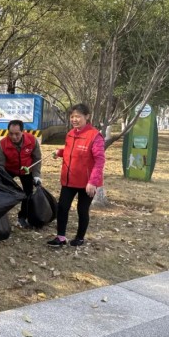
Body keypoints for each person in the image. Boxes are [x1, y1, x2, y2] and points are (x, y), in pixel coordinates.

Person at [48, 103, 105, 247]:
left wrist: (92, 182)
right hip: (69, 179)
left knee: (82, 210)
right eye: (72, 116)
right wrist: (59, 152)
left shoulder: (95, 136)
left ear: (87, 116)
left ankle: (80, 238)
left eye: (78, 116)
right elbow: (70, 152)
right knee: (62, 207)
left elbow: (99, 160)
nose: (74, 119)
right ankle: (60, 237)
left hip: (87, 183)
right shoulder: (70, 134)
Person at [0, 119, 42, 228]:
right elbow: (0, 165)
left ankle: (22, 218)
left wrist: (36, 175)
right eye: (11, 134)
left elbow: (37, 158)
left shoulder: (32, 140)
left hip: (26, 170)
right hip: (9, 170)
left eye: (17, 134)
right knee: (1, 192)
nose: (14, 137)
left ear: (23, 131)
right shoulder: (2, 144)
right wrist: (2, 180)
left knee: (28, 194)